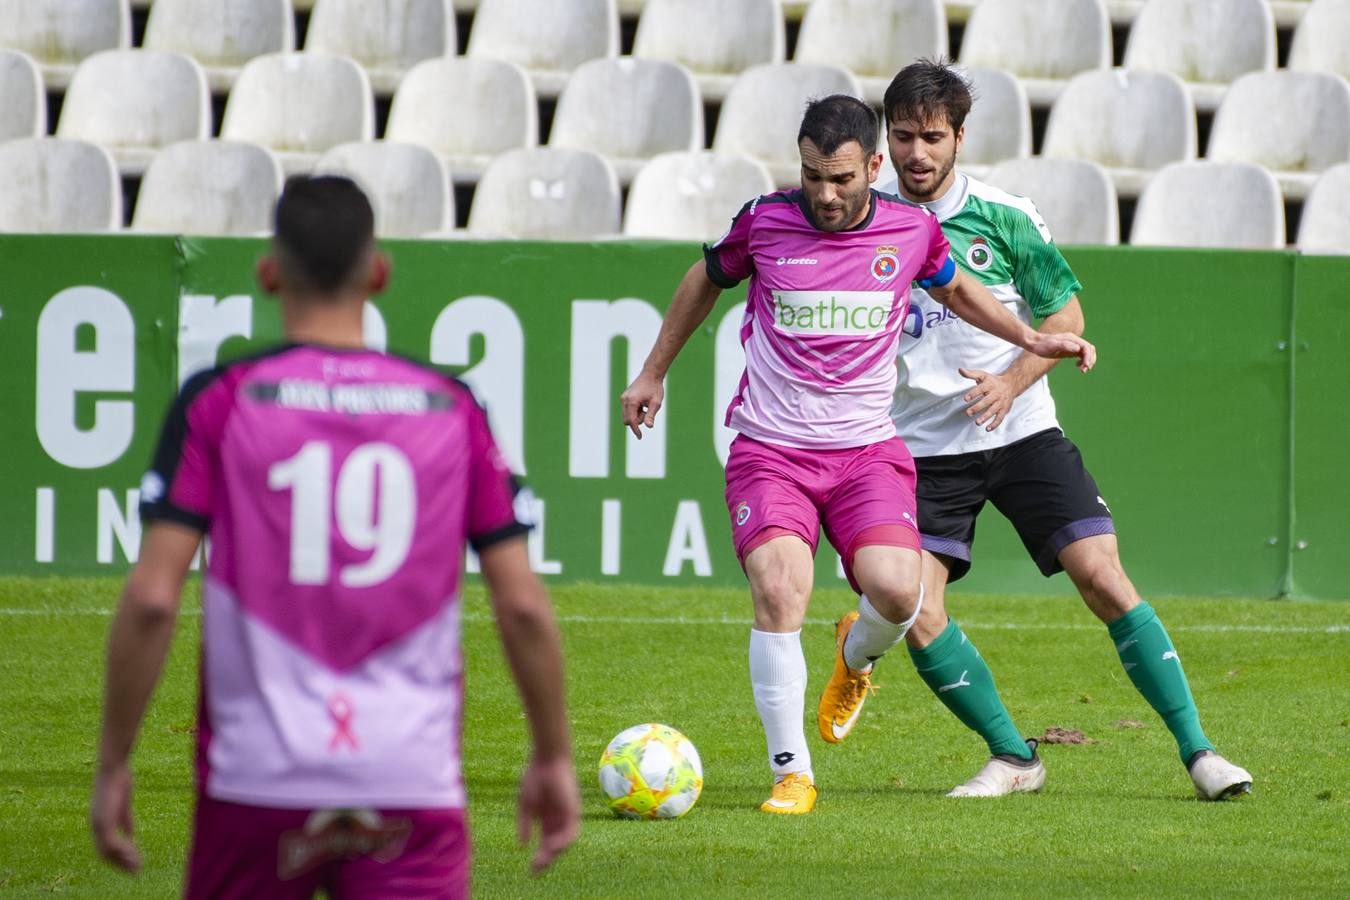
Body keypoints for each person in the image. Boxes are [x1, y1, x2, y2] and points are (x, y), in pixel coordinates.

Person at [90, 176, 581, 898]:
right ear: (379, 274)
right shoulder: (451, 406)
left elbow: (154, 600)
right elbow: (524, 607)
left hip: (256, 778)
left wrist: (112, 764)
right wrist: (553, 756)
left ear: (268, 272)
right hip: (407, 777)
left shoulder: (220, 399)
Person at [621, 95, 1094, 815]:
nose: (826, 194)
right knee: (781, 587)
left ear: (874, 166)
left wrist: (1030, 341)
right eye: (812, 175)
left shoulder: (910, 231)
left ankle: (855, 654)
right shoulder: (764, 220)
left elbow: (960, 288)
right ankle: (792, 773)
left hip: (865, 454)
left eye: (842, 178)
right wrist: (653, 370)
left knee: (901, 593)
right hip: (772, 450)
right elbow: (703, 280)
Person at [817, 59, 1252, 802]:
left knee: (1105, 577)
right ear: (884, 143)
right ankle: (1014, 757)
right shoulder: (867, 222)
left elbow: (1066, 318)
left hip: (1021, 433)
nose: (918, 153)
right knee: (917, 612)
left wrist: (1012, 380)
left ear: (959, 138)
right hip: (917, 449)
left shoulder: (1006, 215)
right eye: (904, 137)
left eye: (933, 136)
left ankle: (1201, 753)